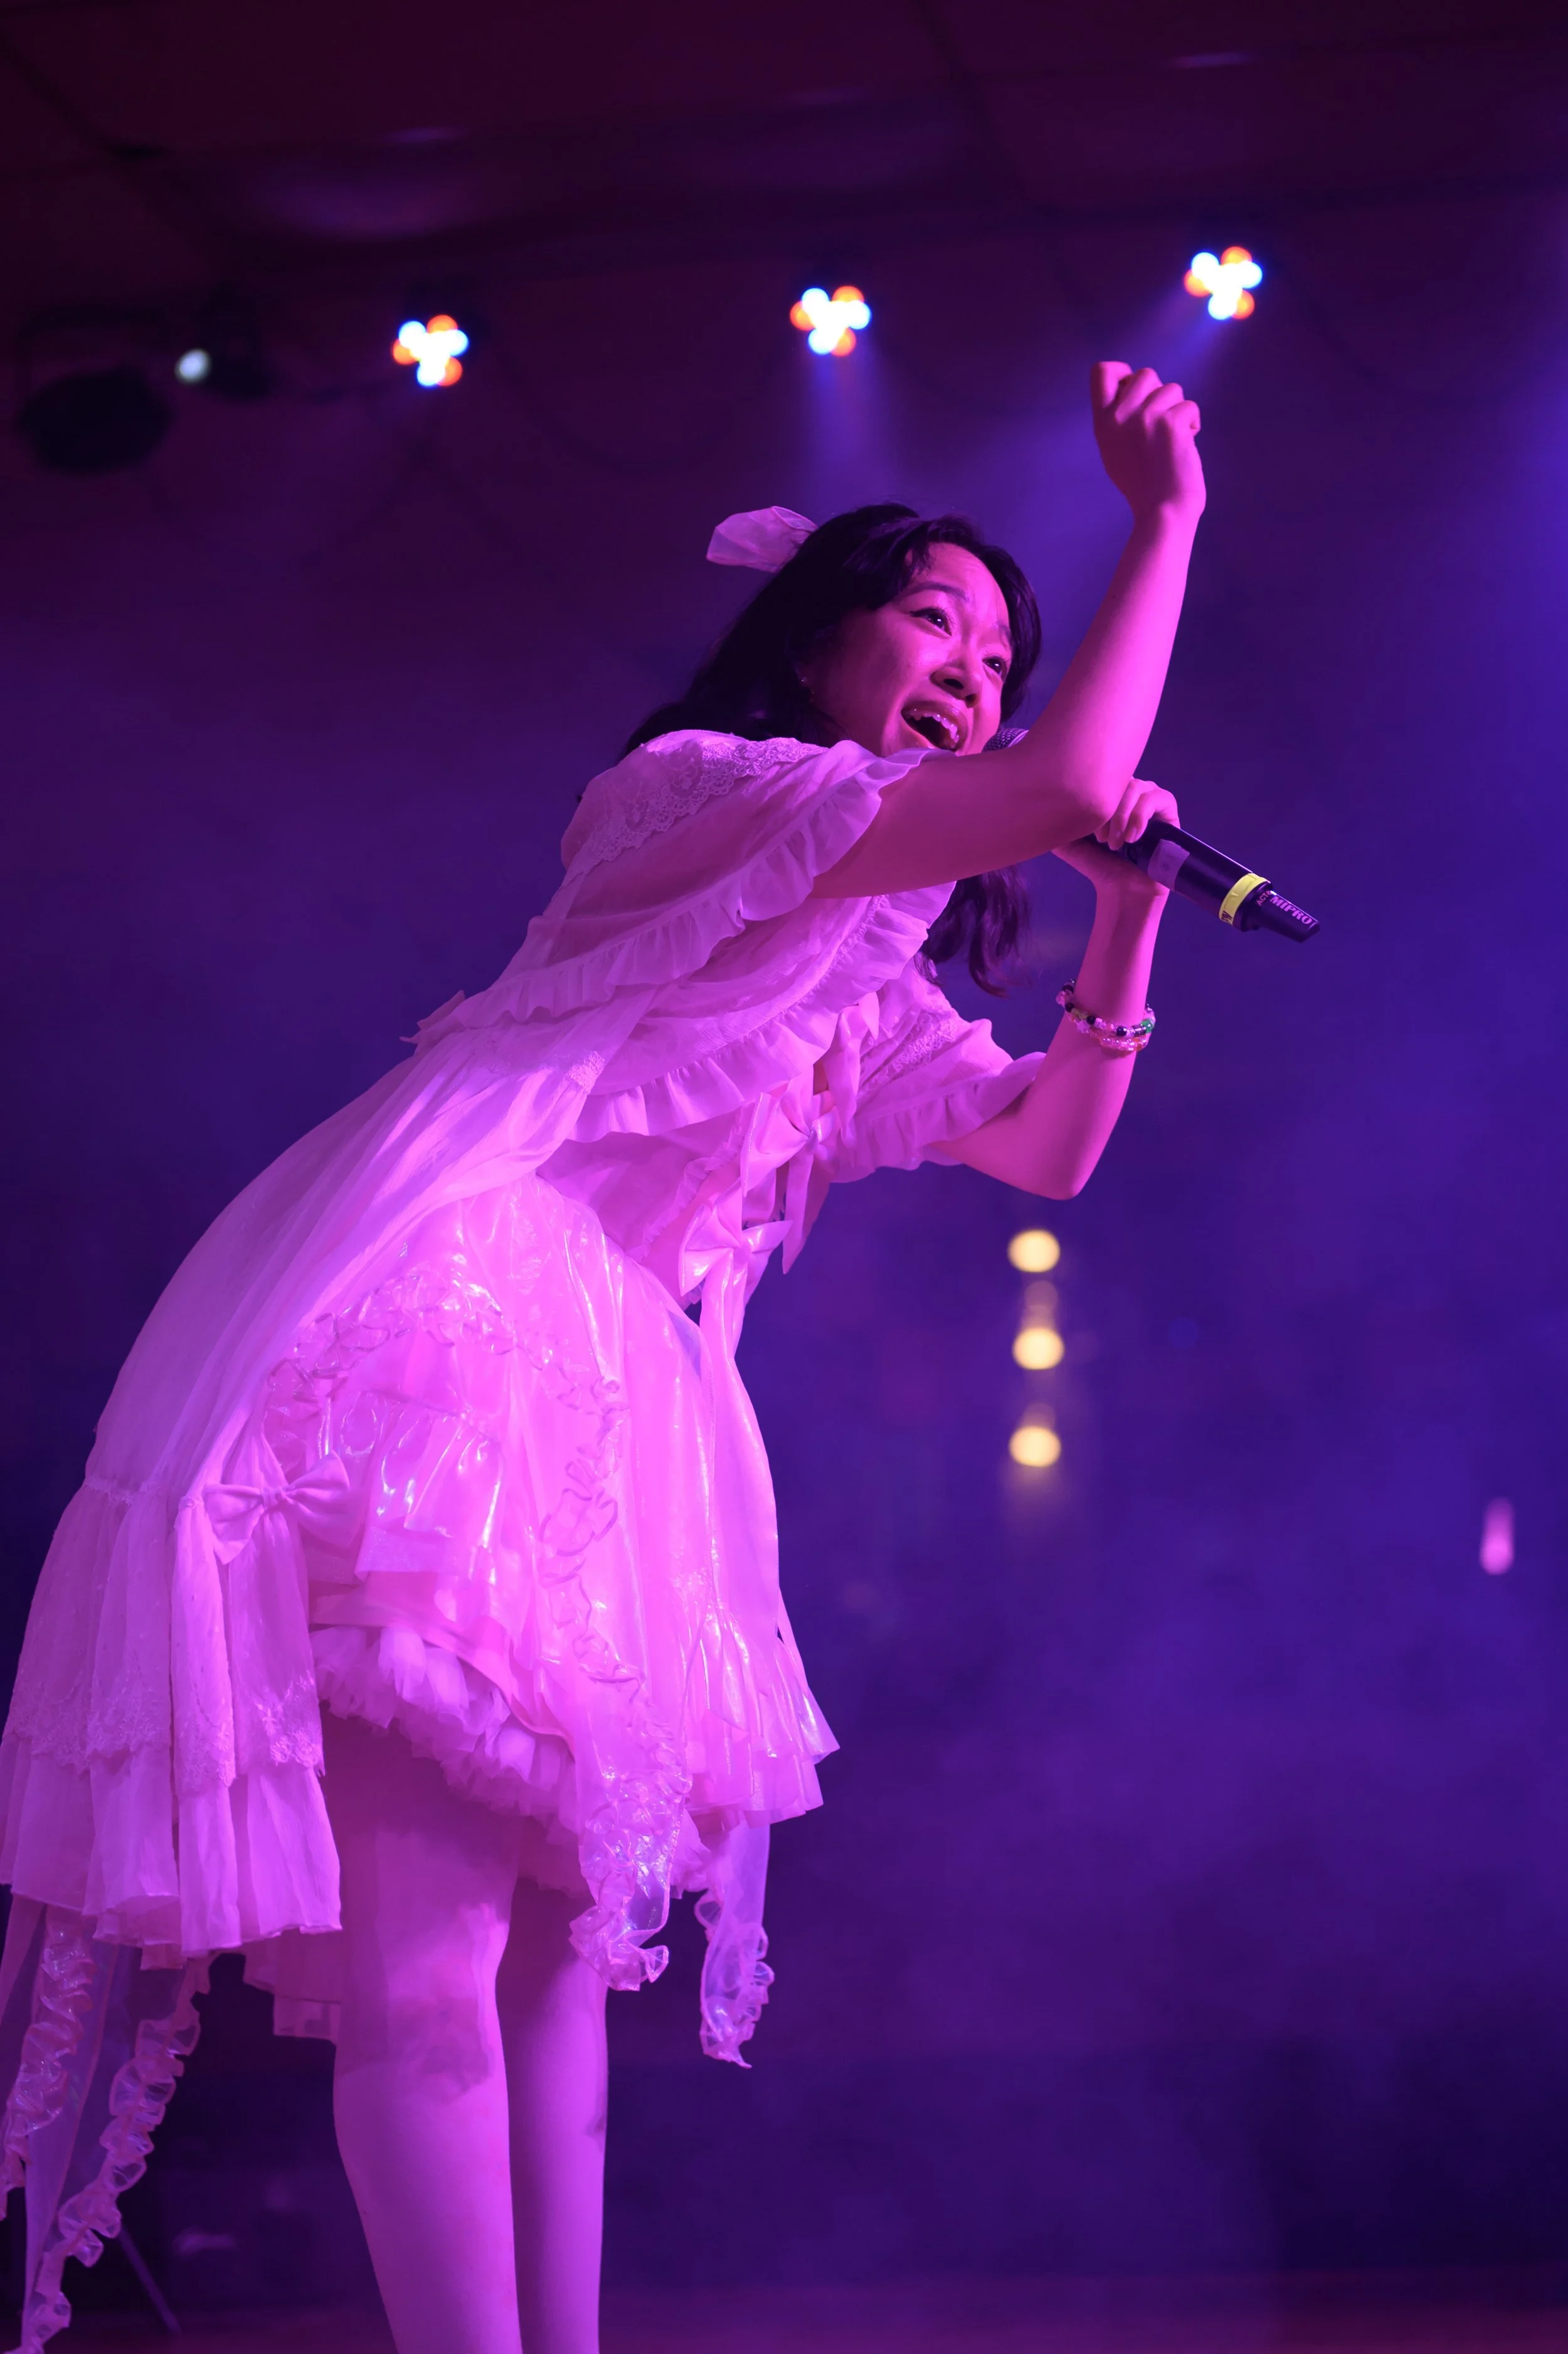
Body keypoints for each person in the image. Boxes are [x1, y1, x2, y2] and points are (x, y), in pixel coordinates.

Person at [0, 359, 1204, 2354]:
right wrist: (1161, 525)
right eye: (937, 621)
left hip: (619, 1402)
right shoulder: (695, 799)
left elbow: (1044, 1145)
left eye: (1003, 656)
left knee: (561, 1970)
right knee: (427, 1969)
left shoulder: (862, 959)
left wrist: (1120, 925)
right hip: (447, 1322)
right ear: (808, 632)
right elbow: (1060, 780)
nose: (974, 672)